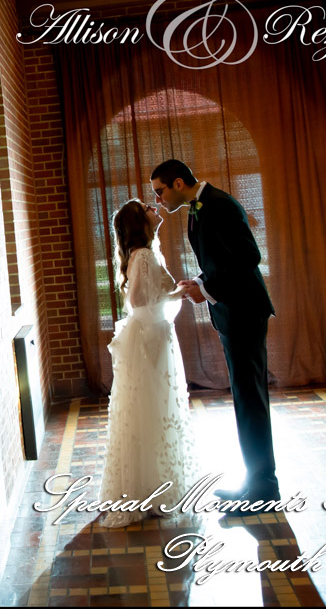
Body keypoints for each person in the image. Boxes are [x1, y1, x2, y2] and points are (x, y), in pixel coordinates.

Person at [150, 159, 279, 510]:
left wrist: (206, 287)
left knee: (250, 400)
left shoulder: (219, 205)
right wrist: (200, 282)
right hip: (232, 312)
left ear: (178, 183)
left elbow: (249, 257)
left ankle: (263, 487)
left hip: (245, 312)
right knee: (245, 399)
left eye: (160, 191)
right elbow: (222, 261)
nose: (158, 200)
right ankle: (256, 482)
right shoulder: (199, 208)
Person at [98, 199, 197, 528]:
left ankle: (154, 483)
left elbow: (152, 294)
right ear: (141, 221)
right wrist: (173, 296)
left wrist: (175, 294)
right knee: (148, 409)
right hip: (148, 338)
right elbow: (139, 300)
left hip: (156, 334)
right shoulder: (142, 255)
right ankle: (146, 489)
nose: (155, 207)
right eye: (147, 207)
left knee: (156, 408)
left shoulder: (148, 253)